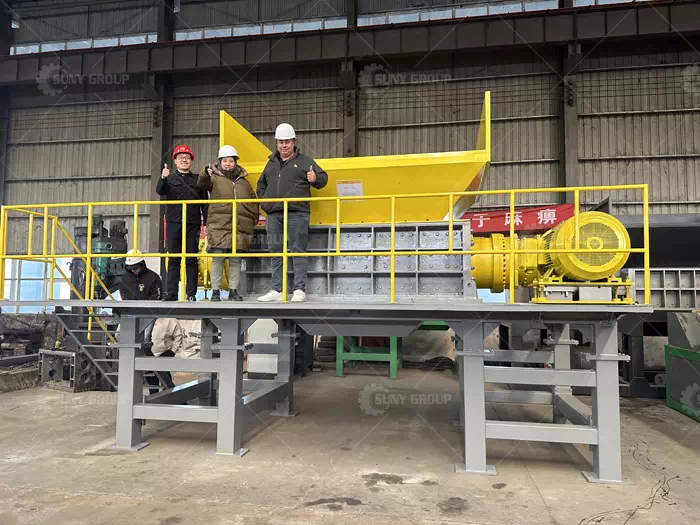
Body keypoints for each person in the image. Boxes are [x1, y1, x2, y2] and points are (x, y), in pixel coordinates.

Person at [256, 123, 328, 303]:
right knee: (275, 251)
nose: (284, 145)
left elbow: (323, 178)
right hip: (274, 215)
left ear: (294, 141)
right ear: (276, 143)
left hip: (297, 213)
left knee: (298, 251)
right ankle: (277, 290)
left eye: (287, 142)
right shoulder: (270, 163)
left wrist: (315, 178)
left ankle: (299, 290)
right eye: (280, 142)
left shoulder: (305, 161)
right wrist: (266, 204)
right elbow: (260, 185)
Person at [198, 145, 259, 301]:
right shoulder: (213, 178)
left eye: (231, 161)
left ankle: (233, 291)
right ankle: (216, 291)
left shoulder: (244, 183)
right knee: (217, 258)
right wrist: (205, 173)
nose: (228, 164)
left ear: (235, 162)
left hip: (239, 227)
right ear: (219, 162)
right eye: (225, 161)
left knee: (235, 260)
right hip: (219, 225)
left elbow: (253, 201)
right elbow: (202, 184)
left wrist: (254, 218)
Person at [156, 145, 208, 302]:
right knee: (173, 258)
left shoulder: (198, 179)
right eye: (181, 158)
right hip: (173, 222)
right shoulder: (169, 179)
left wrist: (205, 223)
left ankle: (191, 294)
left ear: (191, 161)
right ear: (175, 162)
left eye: (187, 158)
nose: (184, 160)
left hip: (192, 223)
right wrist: (163, 177)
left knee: (191, 259)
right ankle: (171, 293)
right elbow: (160, 190)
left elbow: (204, 203)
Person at [116, 249, 173, 392]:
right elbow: (123, 295)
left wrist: (143, 306)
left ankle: (155, 376)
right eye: (131, 268)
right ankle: (145, 372)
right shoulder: (125, 279)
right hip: (130, 314)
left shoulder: (153, 278)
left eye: (136, 267)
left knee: (144, 341)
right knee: (120, 336)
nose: (134, 271)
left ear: (142, 264)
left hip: (148, 313)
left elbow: (156, 297)